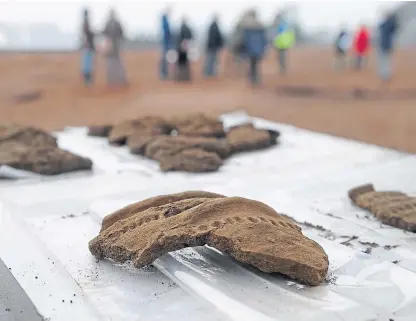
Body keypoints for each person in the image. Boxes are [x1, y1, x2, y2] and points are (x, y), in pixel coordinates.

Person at [102, 9, 128, 88]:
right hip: (114, 45)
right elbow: (122, 34)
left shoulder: (109, 23)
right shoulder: (116, 23)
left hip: (112, 45)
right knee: (116, 63)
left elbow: (104, 33)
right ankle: (120, 80)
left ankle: (113, 80)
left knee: (112, 63)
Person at [241, 9, 267, 86]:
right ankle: (256, 79)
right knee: (256, 64)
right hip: (258, 49)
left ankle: (252, 79)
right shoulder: (260, 25)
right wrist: (263, 48)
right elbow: (264, 39)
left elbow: (245, 39)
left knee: (252, 64)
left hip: (250, 48)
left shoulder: (247, 25)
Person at [377, 11, 398, 83]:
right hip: (386, 45)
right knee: (385, 61)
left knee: (385, 61)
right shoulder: (387, 24)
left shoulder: (386, 25)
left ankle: (385, 75)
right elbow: (394, 27)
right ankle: (385, 75)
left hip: (385, 46)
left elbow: (394, 27)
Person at [175, 17, 194, 82]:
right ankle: (184, 77)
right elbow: (190, 37)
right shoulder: (186, 28)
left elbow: (182, 39)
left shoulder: (182, 28)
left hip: (182, 48)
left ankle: (182, 78)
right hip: (184, 49)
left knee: (182, 63)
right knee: (184, 63)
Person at [80, 8, 95, 86]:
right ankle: (87, 80)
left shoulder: (85, 22)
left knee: (87, 63)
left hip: (87, 46)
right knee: (87, 64)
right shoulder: (86, 23)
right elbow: (85, 35)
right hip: (88, 46)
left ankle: (87, 79)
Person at [160, 7, 172, 80]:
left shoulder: (165, 21)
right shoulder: (165, 22)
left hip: (166, 43)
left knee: (165, 59)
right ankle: (164, 74)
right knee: (164, 59)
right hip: (166, 44)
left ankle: (164, 73)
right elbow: (167, 33)